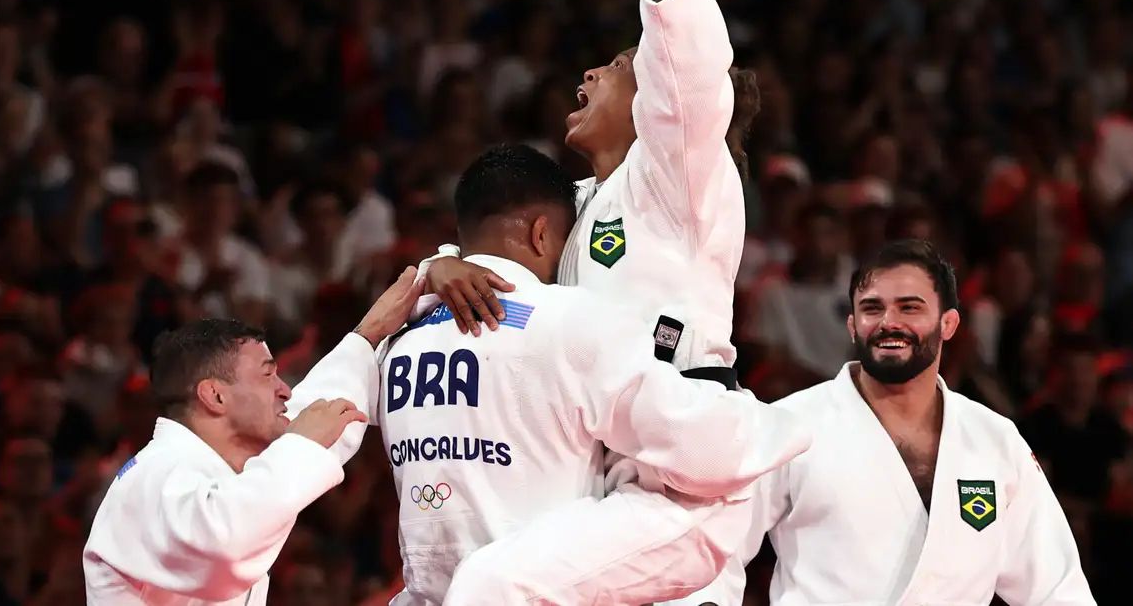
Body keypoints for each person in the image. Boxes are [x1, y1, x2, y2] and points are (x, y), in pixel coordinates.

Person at [423, 0, 761, 602]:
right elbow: (502, 249)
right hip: (598, 466)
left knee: (492, 586)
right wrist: (441, 264)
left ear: (653, 100)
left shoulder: (678, 176)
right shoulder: (574, 206)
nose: (589, 72)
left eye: (615, 66)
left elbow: (689, 62)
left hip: (679, 460)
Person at [297, 145, 808, 605]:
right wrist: (780, 422)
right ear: (542, 234)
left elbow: (300, 429)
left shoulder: (396, 336)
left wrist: (435, 265)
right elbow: (705, 450)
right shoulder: (571, 320)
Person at [726, 240, 1095, 604]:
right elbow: (714, 548)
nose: (889, 323)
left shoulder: (994, 440)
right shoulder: (790, 424)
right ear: (853, 326)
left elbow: (1057, 590)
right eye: (873, 308)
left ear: (948, 323)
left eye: (909, 308)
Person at [82, 267, 426, 606]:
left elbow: (311, 416)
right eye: (267, 376)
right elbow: (226, 541)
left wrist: (366, 337)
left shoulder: (225, 471)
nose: (285, 391)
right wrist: (301, 444)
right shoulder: (153, 477)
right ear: (215, 396)